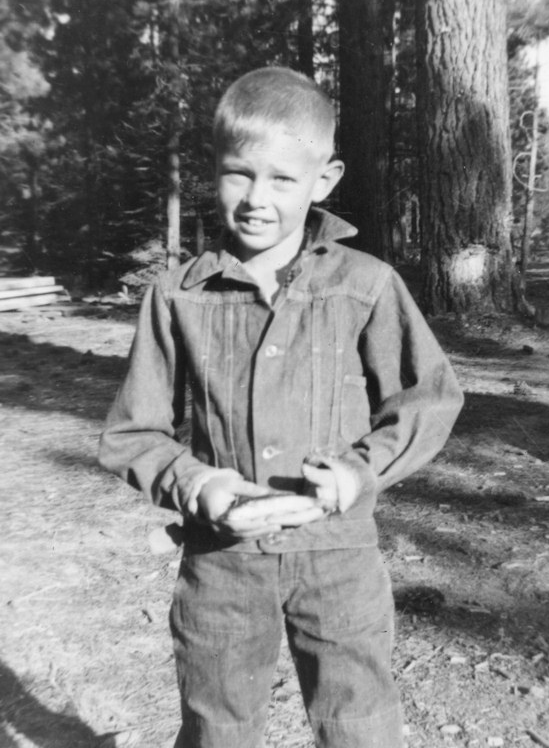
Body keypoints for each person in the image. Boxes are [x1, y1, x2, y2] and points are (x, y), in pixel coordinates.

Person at [99, 66, 464, 748]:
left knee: (360, 723)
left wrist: (358, 473)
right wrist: (197, 482)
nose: (256, 199)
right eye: (239, 174)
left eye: (283, 179)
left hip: (340, 556)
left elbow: (428, 399)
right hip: (221, 562)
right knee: (217, 725)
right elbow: (131, 434)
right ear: (214, 170)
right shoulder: (176, 296)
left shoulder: (365, 286)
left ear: (324, 180)